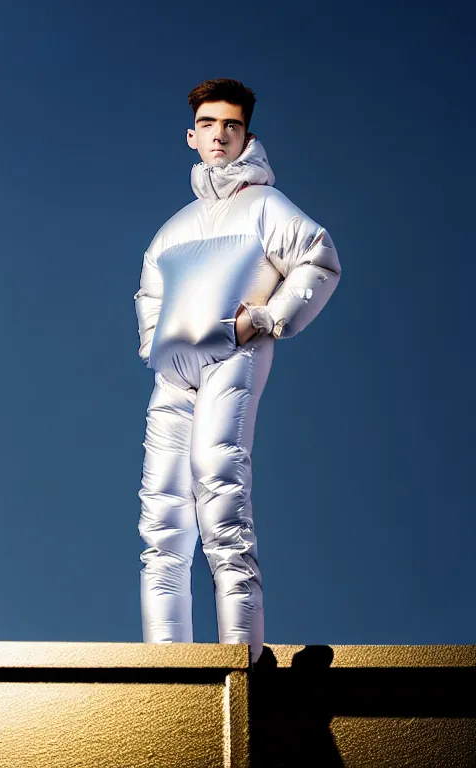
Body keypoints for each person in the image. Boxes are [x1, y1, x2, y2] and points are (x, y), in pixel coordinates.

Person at [134, 78, 341, 667]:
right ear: (191, 136)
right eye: (208, 124)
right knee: (161, 521)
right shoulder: (173, 228)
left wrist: (269, 319)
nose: (219, 134)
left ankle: (240, 667)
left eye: (231, 125)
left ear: (247, 134)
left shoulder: (266, 207)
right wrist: (157, 345)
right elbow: (150, 292)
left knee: (221, 498)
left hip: (232, 356)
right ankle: (165, 673)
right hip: (173, 377)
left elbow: (319, 257)